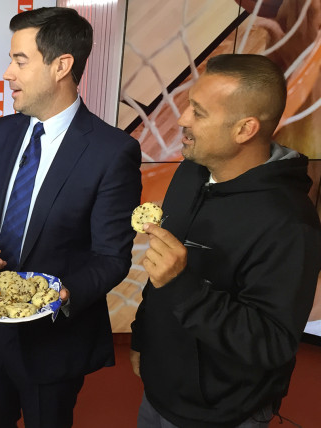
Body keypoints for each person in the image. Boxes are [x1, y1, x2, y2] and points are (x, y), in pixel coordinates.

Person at [0, 7, 142, 428]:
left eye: (20, 61)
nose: (7, 73)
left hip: (54, 342)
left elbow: (112, 257)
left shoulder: (112, 152)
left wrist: (58, 295)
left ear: (61, 66)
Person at [130, 54, 321, 428]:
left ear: (245, 129)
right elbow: (160, 277)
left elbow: (273, 341)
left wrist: (182, 286)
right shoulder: (191, 171)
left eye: (198, 112)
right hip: (159, 392)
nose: (182, 119)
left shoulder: (290, 224)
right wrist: (143, 339)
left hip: (223, 414)